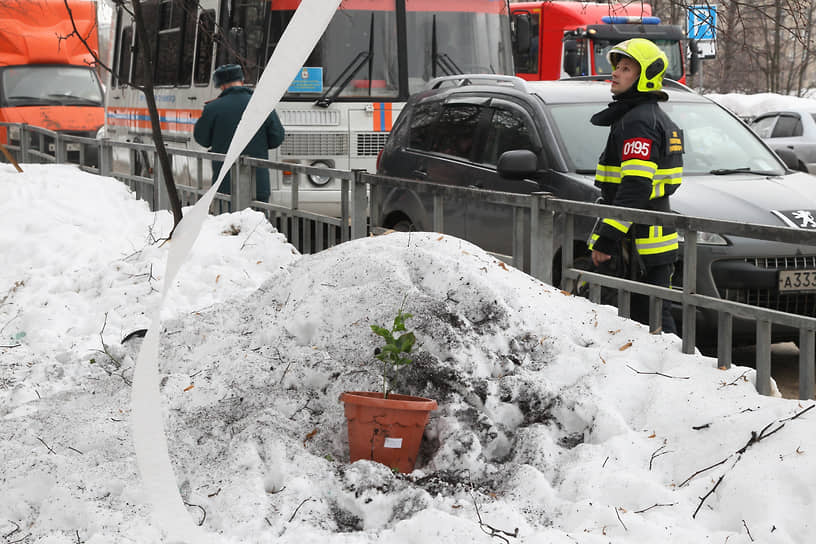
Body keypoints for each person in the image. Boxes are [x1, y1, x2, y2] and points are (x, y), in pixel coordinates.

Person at [586, 38, 684, 335]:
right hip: (646, 240)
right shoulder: (641, 116)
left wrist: (607, 240)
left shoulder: (639, 122)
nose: (615, 73)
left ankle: (677, 379)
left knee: (655, 326)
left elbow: (636, 187)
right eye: (617, 66)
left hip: (640, 243)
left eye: (626, 68)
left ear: (644, 76)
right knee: (650, 322)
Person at [193, 63, 285, 203]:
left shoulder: (213, 108)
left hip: (225, 184)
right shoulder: (262, 104)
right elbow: (277, 137)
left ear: (221, 85)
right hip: (258, 182)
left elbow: (201, 139)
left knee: (227, 222)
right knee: (257, 222)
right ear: (241, 81)